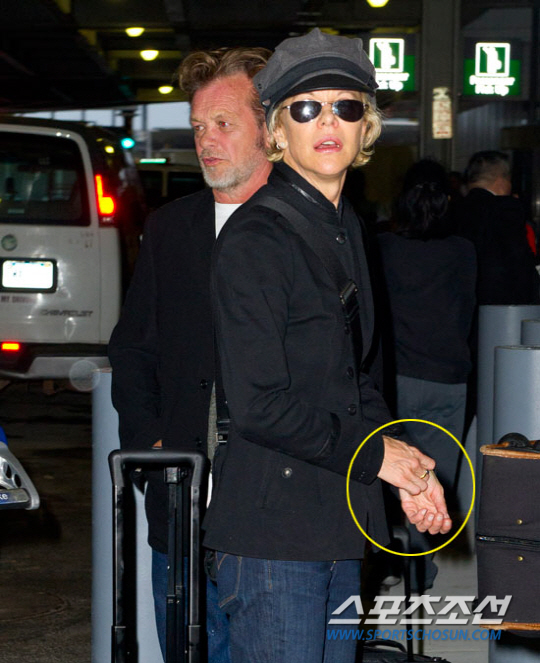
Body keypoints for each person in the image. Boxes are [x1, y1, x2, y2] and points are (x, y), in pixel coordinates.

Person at [204, 29, 452, 663]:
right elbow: (258, 405)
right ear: (276, 129)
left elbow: (355, 378)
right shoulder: (256, 239)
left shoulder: (347, 230)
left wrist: (407, 470)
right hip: (274, 540)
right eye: (306, 107)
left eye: (346, 106)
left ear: (366, 126)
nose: (327, 121)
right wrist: (377, 456)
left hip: (338, 526)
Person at [108, 46, 272, 661]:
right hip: (183, 508)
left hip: (274, 520)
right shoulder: (171, 227)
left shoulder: (306, 225)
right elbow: (132, 348)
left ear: (269, 128)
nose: (206, 140)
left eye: (223, 123)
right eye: (199, 126)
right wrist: (152, 444)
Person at [377, 158, 477, 591]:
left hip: (395, 378)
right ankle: (422, 568)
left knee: (386, 472)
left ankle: (386, 558)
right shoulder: (462, 250)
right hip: (447, 377)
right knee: (436, 478)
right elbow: (466, 313)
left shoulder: (382, 247)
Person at [456, 150, 540, 306]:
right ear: (501, 181)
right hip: (502, 303)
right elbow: (519, 261)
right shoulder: (505, 209)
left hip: (463, 302)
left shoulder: (454, 210)